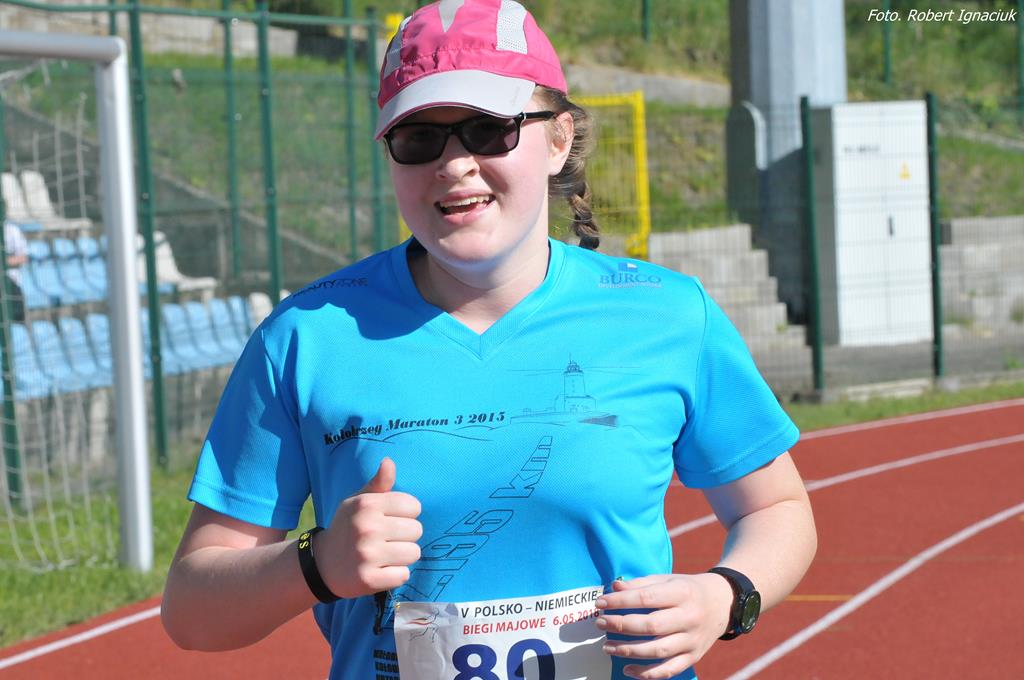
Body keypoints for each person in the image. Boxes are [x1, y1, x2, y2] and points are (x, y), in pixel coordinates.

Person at [161, 1, 817, 678]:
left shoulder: (668, 315)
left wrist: (724, 596)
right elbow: (192, 612)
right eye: (419, 138)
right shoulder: (305, 338)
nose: (454, 164)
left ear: (557, 139)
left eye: (488, 130)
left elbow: (776, 508)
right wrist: (316, 563)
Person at [3, 219, 28, 321]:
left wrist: (4, 262)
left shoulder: (12, 230)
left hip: (11, 286)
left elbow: (23, 258)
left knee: (13, 320)